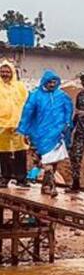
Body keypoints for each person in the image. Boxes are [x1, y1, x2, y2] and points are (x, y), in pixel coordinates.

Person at [17, 70, 73, 197]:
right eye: (50, 82)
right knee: (47, 162)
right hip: (41, 134)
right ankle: (51, 187)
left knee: (54, 162)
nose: (52, 84)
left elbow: (68, 111)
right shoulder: (35, 95)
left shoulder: (61, 96)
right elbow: (27, 113)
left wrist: (67, 125)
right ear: (44, 82)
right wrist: (24, 131)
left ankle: (46, 186)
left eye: (54, 82)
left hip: (57, 134)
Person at [0, 60, 30, 188]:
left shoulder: (20, 87)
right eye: (2, 71)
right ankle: (5, 178)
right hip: (1, 126)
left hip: (19, 125)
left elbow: (27, 105)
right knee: (3, 153)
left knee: (20, 152)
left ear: (12, 72)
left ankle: (21, 179)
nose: (5, 74)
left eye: (7, 71)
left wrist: (24, 122)